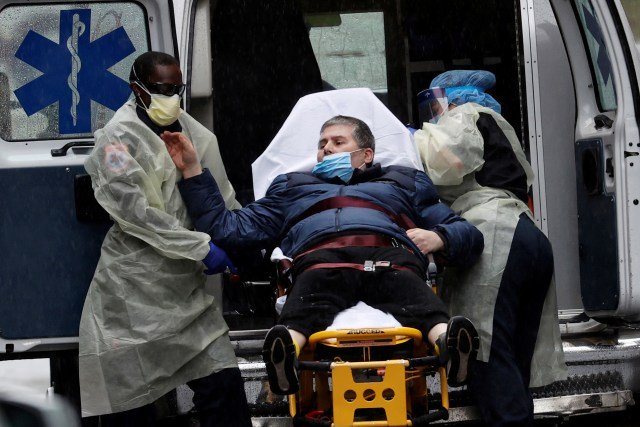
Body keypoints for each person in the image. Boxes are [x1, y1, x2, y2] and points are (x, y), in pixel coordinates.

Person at [162, 114, 484, 395]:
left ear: (367, 154)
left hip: (387, 255)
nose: (326, 148)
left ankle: (450, 344)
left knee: (417, 297)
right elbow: (230, 227)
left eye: (338, 142)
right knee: (307, 302)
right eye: (322, 143)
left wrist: (439, 237)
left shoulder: (402, 182)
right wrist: (192, 170)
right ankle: (285, 352)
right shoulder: (291, 187)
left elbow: (468, 234)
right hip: (322, 258)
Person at [78, 51, 251, 427]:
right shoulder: (117, 141)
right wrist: (200, 247)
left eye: (177, 89)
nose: (170, 98)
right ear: (137, 89)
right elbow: (137, 215)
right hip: (134, 292)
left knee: (222, 382)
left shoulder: (192, 132)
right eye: (161, 89)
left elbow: (220, 196)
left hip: (185, 292)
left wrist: (240, 238)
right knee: (132, 400)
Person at [413, 70, 567, 426]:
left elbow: (445, 163)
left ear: (453, 99)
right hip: (525, 233)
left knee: (485, 351)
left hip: (495, 235)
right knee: (513, 359)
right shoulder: (496, 123)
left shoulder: (466, 114)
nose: (435, 115)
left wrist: (404, 140)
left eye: (437, 105)